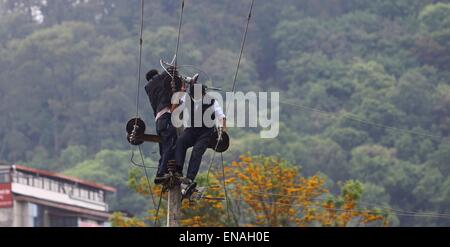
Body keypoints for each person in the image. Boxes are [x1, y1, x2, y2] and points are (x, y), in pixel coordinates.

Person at [172, 81, 227, 196]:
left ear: (203, 94)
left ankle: (190, 178)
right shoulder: (187, 100)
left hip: (206, 132)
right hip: (191, 129)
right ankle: (177, 170)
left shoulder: (212, 101)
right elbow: (174, 111)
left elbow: (221, 116)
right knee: (180, 142)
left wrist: (221, 129)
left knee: (197, 151)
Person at [144, 67, 182, 184]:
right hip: (166, 118)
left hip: (159, 120)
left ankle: (163, 173)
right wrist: (171, 70)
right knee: (170, 145)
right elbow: (164, 76)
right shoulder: (156, 82)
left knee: (164, 147)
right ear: (155, 76)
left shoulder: (150, 88)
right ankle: (161, 173)